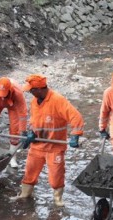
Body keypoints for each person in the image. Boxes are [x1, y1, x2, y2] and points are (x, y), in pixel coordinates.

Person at [18, 74, 84, 207]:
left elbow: (76, 117)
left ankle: (58, 199)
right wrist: (31, 133)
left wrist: (75, 135)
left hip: (54, 147)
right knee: (30, 172)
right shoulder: (34, 102)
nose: (30, 92)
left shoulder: (57, 100)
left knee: (55, 177)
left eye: (31, 90)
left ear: (39, 89)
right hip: (37, 145)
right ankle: (25, 194)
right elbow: (33, 120)